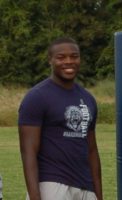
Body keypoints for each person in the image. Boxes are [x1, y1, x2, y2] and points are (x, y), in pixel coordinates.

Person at [18, 37, 103, 200]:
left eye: (74, 56)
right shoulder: (37, 97)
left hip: (85, 185)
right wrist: (36, 197)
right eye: (61, 57)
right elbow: (28, 152)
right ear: (50, 60)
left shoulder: (88, 98)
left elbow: (92, 150)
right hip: (52, 184)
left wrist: (98, 195)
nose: (69, 61)